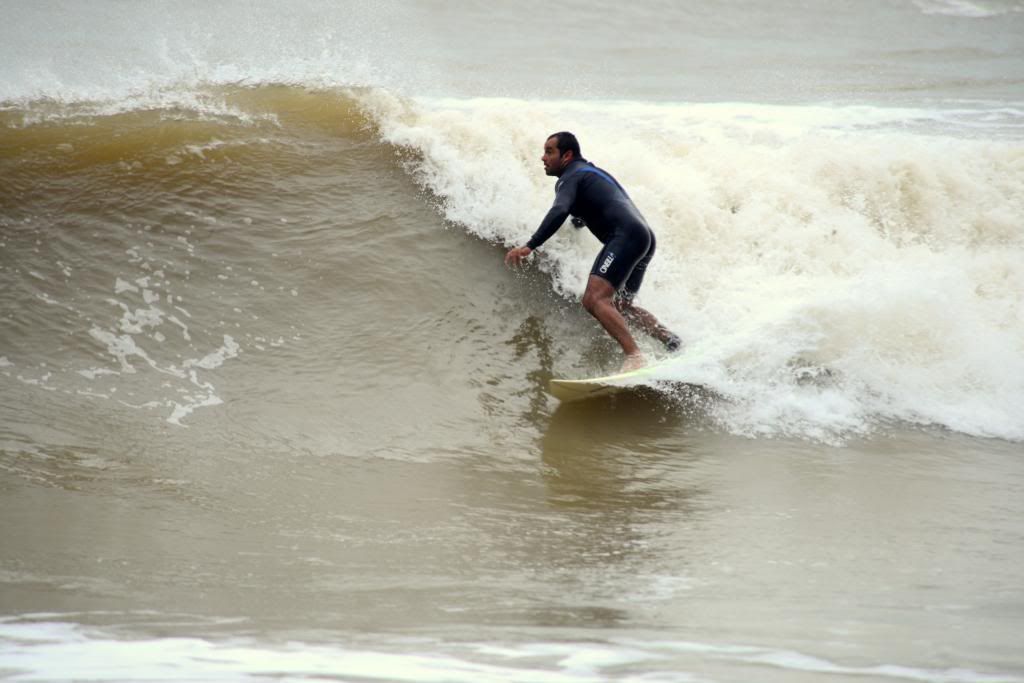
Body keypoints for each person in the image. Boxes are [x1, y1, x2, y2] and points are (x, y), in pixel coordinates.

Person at [505, 131, 680, 372]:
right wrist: (579, 221)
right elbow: (596, 207)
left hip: (626, 236)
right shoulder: (591, 173)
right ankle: (671, 341)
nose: (543, 158)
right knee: (621, 306)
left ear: (567, 155)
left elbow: (559, 210)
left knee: (594, 299)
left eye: (549, 152)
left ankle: (635, 356)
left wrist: (530, 245)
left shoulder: (570, 177)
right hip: (644, 238)